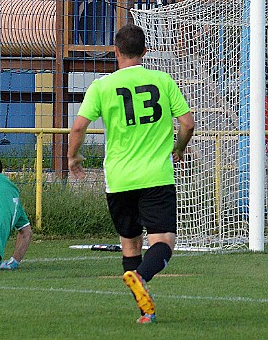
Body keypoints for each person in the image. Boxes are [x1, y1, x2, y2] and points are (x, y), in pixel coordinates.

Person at [67, 24, 194, 324]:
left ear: (116, 51)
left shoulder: (101, 86)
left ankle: (145, 312)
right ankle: (141, 276)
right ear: (145, 52)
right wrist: (179, 148)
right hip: (156, 176)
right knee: (164, 241)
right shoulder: (162, 81)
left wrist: (73, 157)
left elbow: (78, 127)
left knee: (130, 243)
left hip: (119, 179)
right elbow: (188, 123)